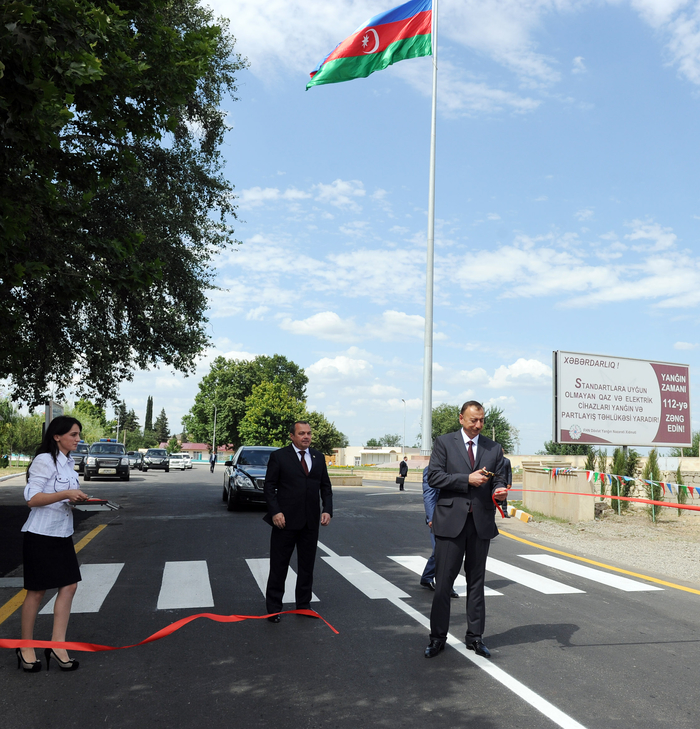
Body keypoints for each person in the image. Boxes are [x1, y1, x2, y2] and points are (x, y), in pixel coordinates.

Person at [424, 401, 508, 660]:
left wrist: (499, 491)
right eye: (473, 420)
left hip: (480, 524)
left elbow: (501, 478)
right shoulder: (444, 443)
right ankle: (438, 638)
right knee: (443, 585)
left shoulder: (493, 448)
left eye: (482, 420)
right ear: (461, 419)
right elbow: (434, 477)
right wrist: (466, 479)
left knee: (476, 583)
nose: (478, 425)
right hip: (450, 523)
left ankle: (475, 637)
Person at [17, 416, 89, 673]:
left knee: (69, 586)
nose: (78, 439)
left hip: (62, 534)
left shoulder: (69, 464)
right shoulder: (44, 460)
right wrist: (66, 494)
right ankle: (26, 646)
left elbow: (61, 498)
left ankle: (58, 645)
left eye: (78, 435)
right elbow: (32, 499)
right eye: (73, 435)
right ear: (57, 436)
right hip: (40, 534)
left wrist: (76, 499)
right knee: (36, 592)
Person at [263, 421, 333, 622]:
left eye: (309, 433)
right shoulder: (279, 457)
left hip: (310, 522)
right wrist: (275, 512)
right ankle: (274, 608)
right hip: (284, 522)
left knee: (306, 566)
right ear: (292, 436)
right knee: (279, 566)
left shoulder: (318, 457)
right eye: (301, 433)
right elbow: (269, 487)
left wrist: (327, 509)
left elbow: (325, 487)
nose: (306, 436)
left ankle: (303, 606)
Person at [420, 466, 459, 599]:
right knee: (442, 551)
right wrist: (431, 518)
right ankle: (446, 586)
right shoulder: (431, 469)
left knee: (444, 551)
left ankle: (427, 577)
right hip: (439, 516)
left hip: (456, 515)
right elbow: (429, 494)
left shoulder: (457, 466)